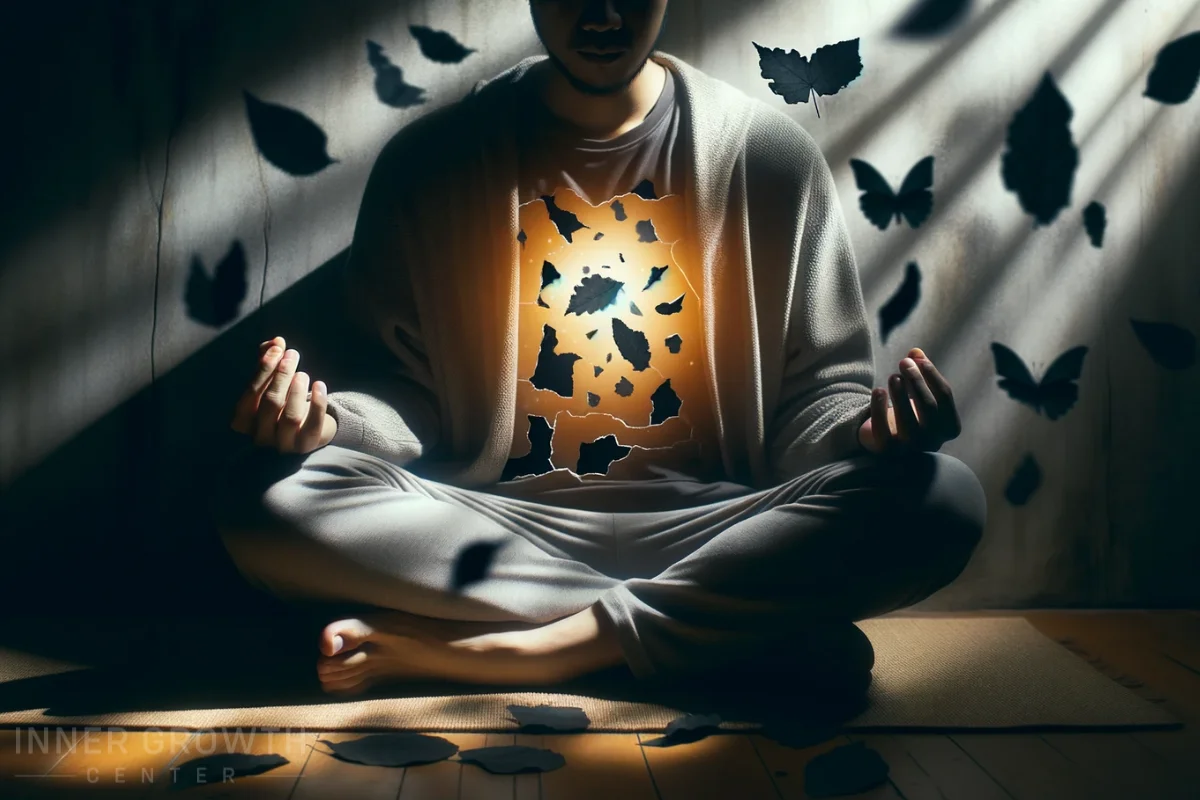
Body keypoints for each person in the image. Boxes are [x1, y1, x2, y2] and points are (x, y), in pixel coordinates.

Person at [213, 0, 986, 697]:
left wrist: (867, 433)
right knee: (262, 501)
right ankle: (733, 635)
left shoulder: (769, 158)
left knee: (941, 498)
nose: (604, 13)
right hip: (500, 530)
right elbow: (410, 392)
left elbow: (816, 395)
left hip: (718, 528)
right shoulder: (432, 163)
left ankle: (519, 653)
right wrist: (328, 422)